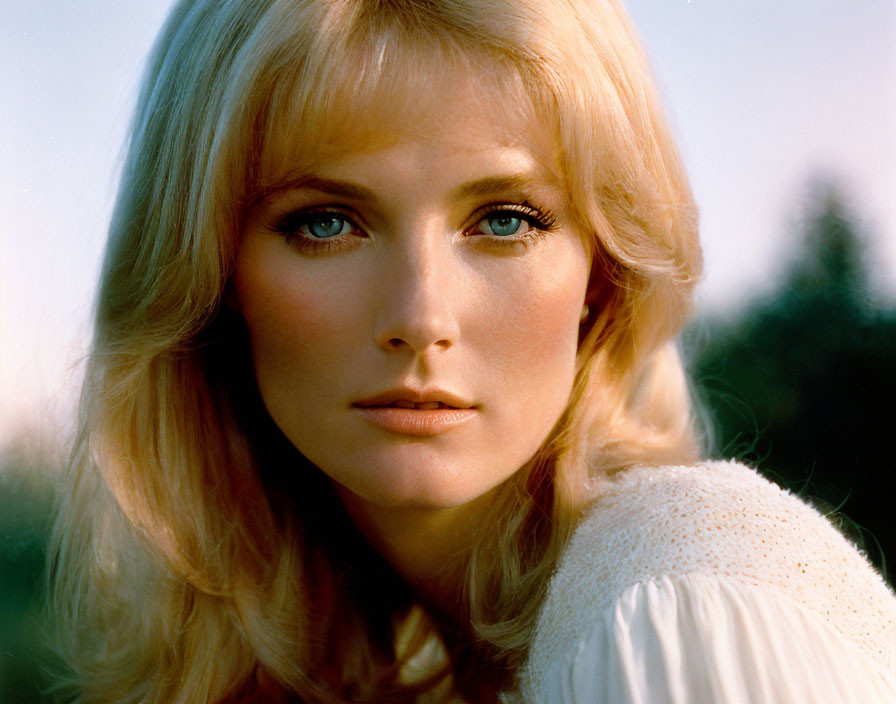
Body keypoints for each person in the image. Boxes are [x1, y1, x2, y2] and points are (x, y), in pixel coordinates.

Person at [48, 0, 896, 702]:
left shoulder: (671, 600)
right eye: (326, 222)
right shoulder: (423, 660)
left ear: (604, 275)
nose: (421, 316)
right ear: (213, 277)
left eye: (505, 221)